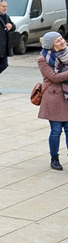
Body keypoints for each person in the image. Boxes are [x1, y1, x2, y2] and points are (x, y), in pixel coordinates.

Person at [37, 32, 68, 171]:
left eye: (61, 39)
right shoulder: (43, 58)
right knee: (56, 131)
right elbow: (54, 77)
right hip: (54, 97)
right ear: (51, 46)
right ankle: (54, 158)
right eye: (58, 41)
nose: (62, 42)